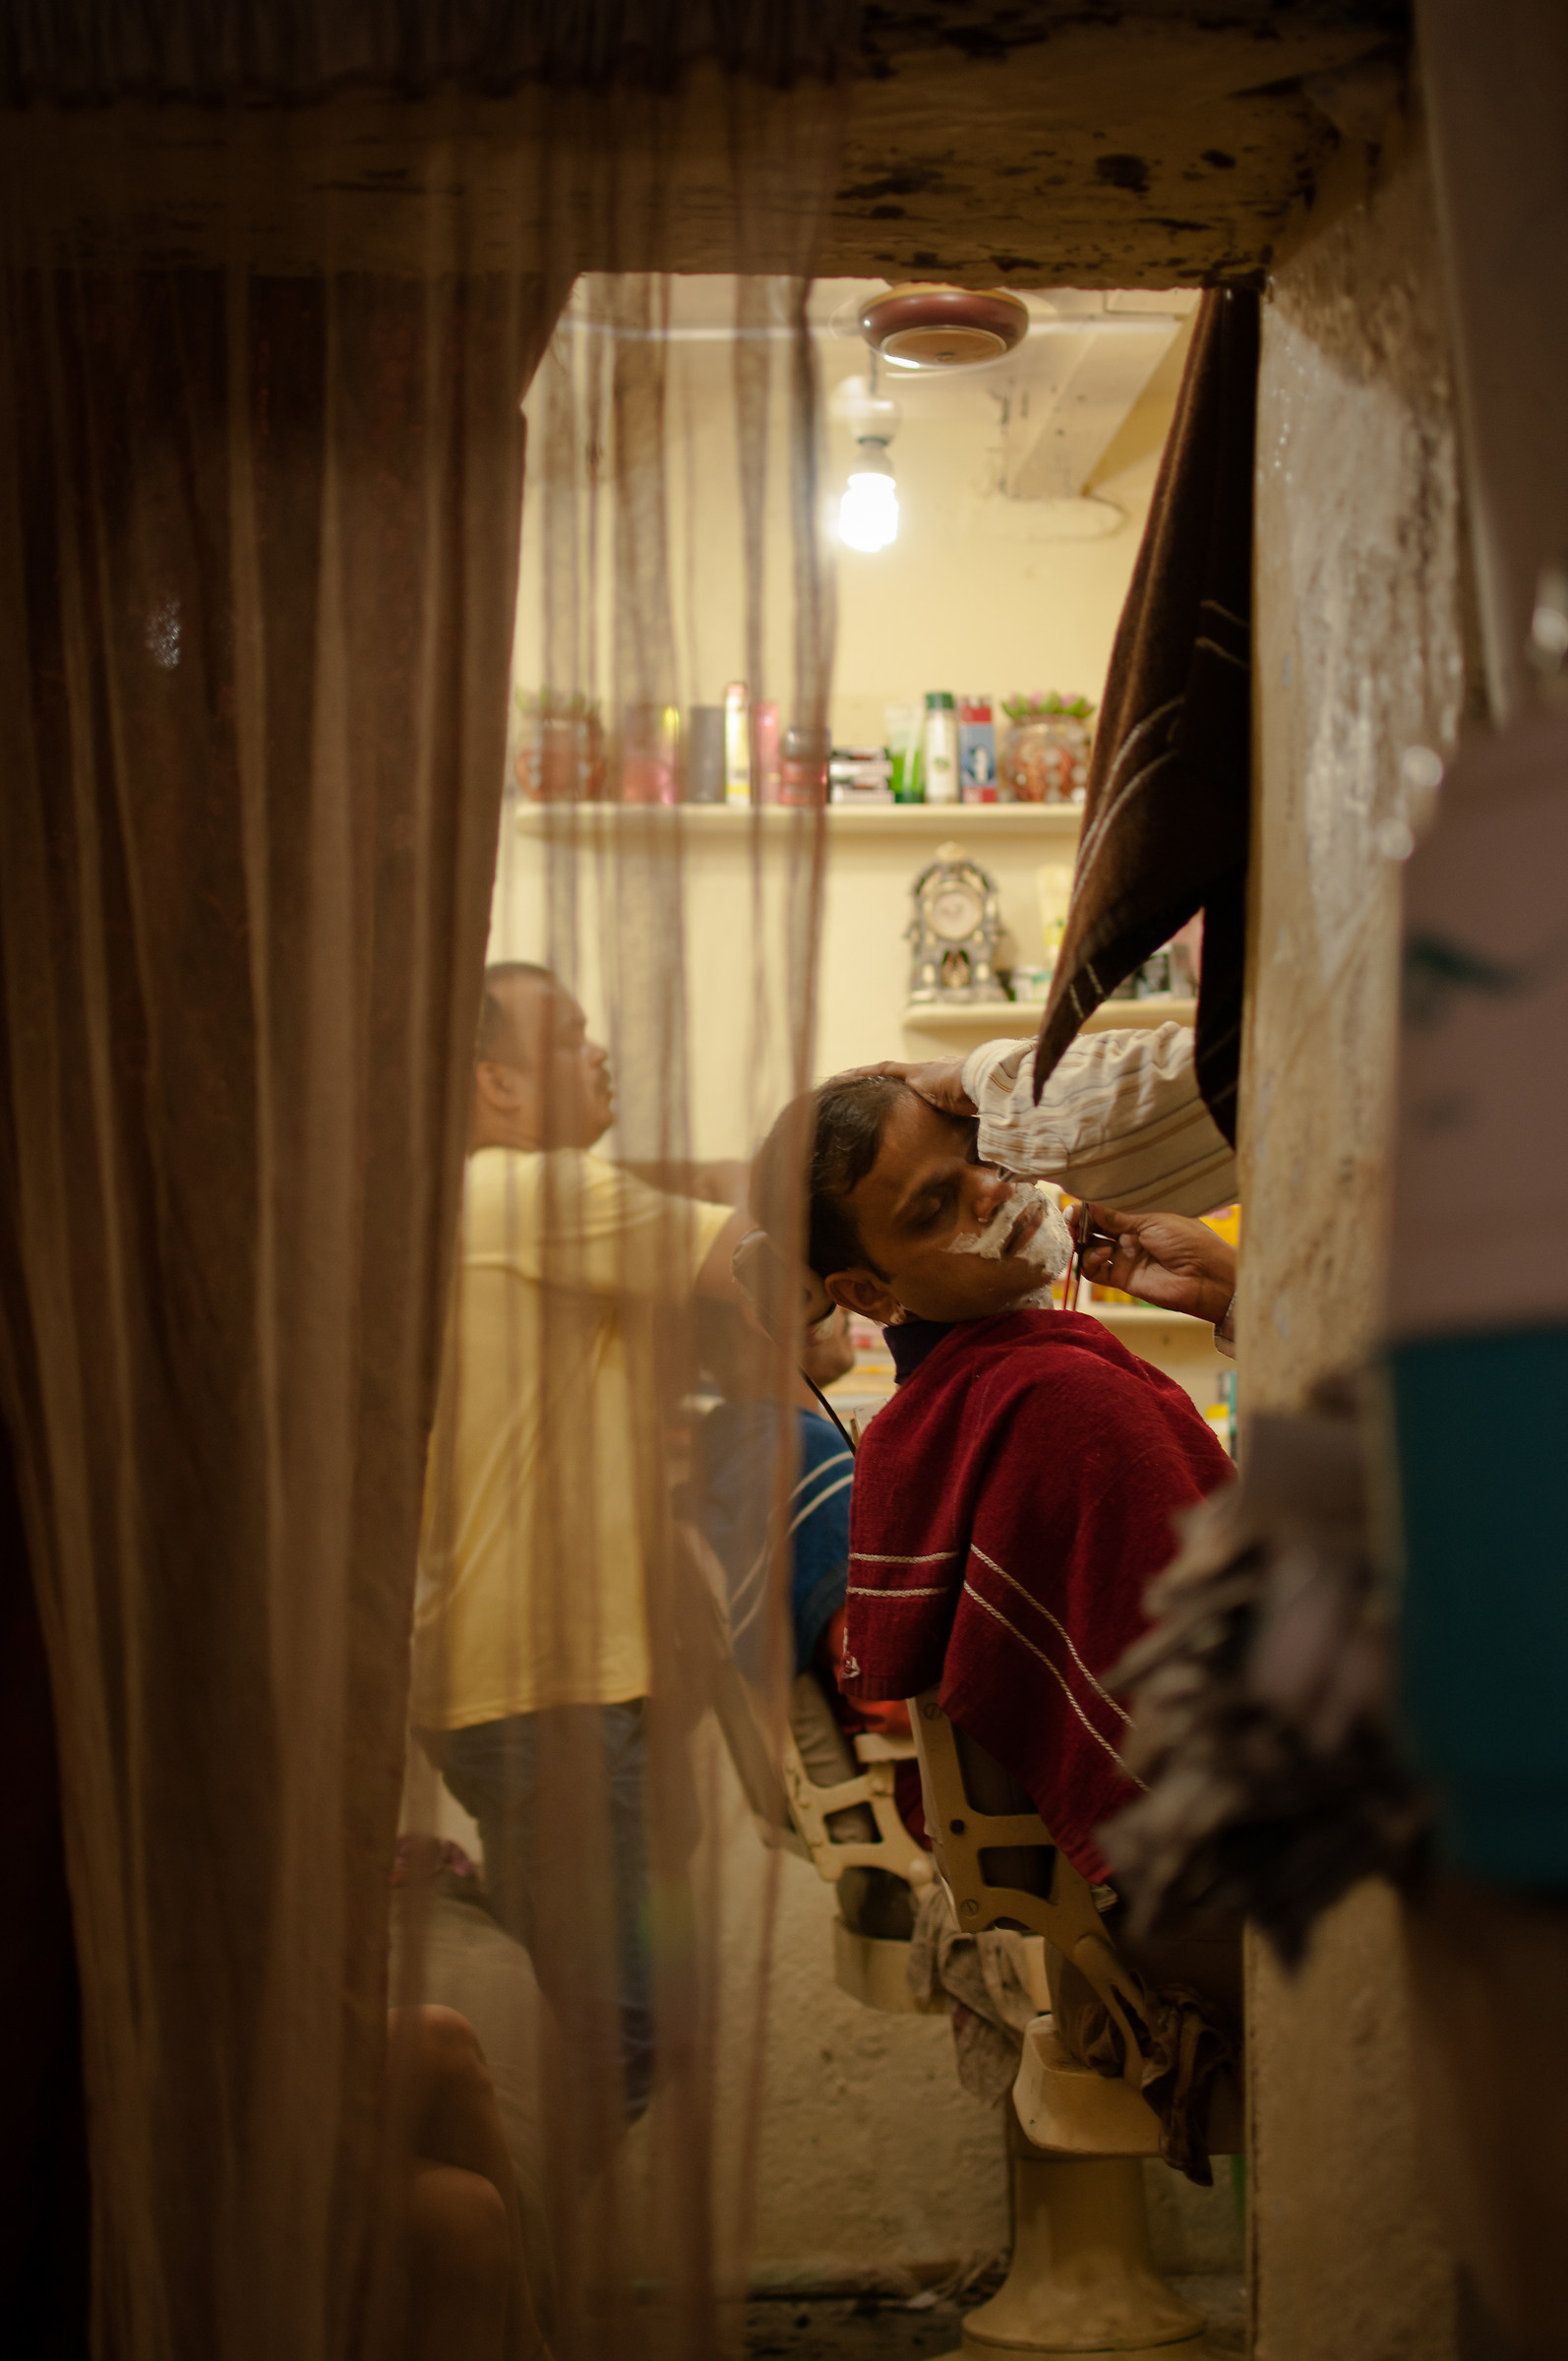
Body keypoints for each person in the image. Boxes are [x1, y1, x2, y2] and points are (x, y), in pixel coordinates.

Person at [410, 962, 749, 2130]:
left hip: (533, 1684)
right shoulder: (535, 1192)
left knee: (607, 2024)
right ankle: (516, 2292)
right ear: (495, 1082)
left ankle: (516, 2287)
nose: (600, 1059)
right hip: (542, 1688)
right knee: (621, 2035)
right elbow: (751, 1255)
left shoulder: (486, 1206)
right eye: (572, 1042)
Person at [749, 1072, 1234, 1887]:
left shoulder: (966, 1396)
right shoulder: (1060, 1399)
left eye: (983, 1151)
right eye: (934, 1208)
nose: (991, 1188)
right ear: (866, 1292)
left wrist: (1229, 1295)